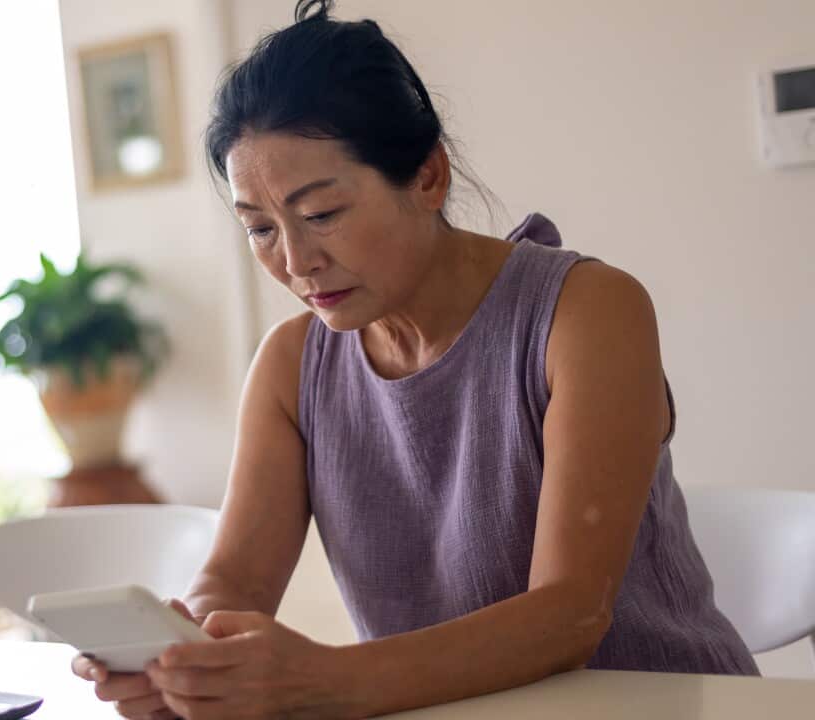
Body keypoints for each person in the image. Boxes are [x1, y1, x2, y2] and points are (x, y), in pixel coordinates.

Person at [71, 1, 758, 717]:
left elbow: (570, 617)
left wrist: (324, 680)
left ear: (428, 176)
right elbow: (234, 583)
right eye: (261, 228)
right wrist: (184, 660)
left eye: (322, 214)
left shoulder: (587, 312)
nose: (297, 262)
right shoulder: (289, 366)